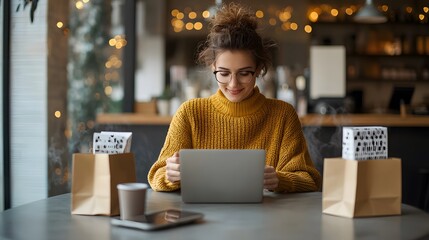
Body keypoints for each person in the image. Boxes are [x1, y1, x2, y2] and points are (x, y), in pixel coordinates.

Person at [148, 3, 321, 193]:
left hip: (268, 220)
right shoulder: (190, 113)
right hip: (202, 218)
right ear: (213, 67)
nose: (233, 84)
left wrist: (280, 180)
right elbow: (156, 176)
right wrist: (170, 174)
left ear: (258, 70)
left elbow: (310, 179)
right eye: (224, 73)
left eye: (244, 73)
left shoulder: (282, 114)